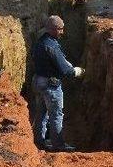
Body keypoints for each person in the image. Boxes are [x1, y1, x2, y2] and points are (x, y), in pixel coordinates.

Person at [31, 16, 84, 152]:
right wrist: (77, 71)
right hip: (50, 86)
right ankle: (58, 146)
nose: (62, 32)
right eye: (60, 29)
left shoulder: (40, 42)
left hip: (38, 82)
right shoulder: (52, 46)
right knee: (56, 115)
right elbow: (65, 71)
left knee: (41, 114)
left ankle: (39, 143)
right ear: (53, 29)